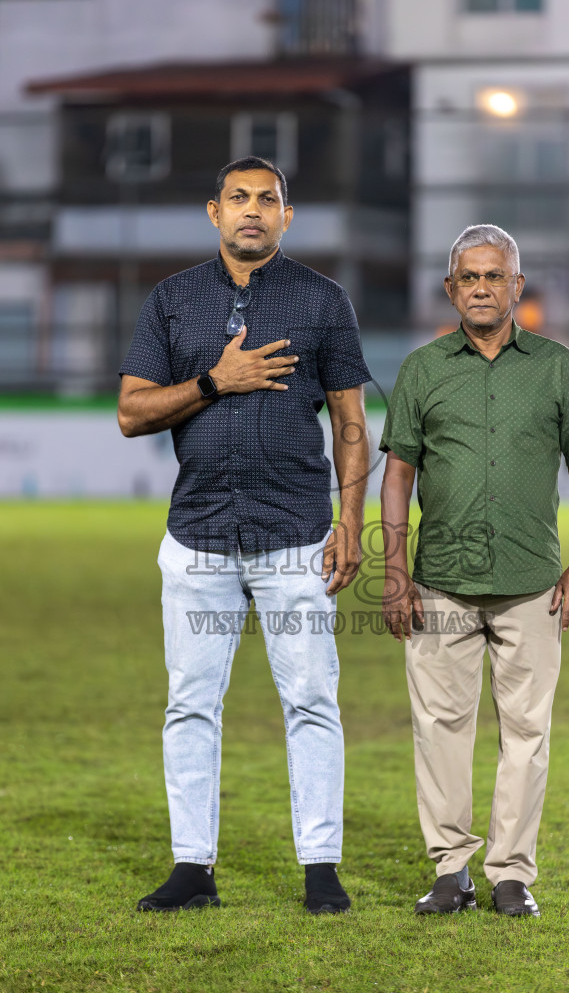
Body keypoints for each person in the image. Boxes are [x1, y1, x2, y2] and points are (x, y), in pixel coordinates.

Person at [118, 156, 371, 914]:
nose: (252, 211)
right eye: (238, 198)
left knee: (312, 701)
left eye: (267, 200)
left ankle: (320, 868)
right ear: (214, 212)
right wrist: (211, 382)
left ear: (286, 216)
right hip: (197, 541)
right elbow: (132, 413)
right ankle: (193, 868)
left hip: (295, 537)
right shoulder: (173, 301)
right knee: (191, 704)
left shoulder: (322, 301)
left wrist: (351, 523)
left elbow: (352, 426)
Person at [380, 224, 569, 918]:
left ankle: (510, 873)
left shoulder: (556, 365)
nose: (481, 288)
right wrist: (394, 569)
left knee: (526, 733)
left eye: (494, 276)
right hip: (439, 580)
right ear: (450, 289)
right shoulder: (421, 368)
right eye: (468, 278)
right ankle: (450, 870)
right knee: (439, 729)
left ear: (516, 286)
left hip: (533, 581)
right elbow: (396, 473)